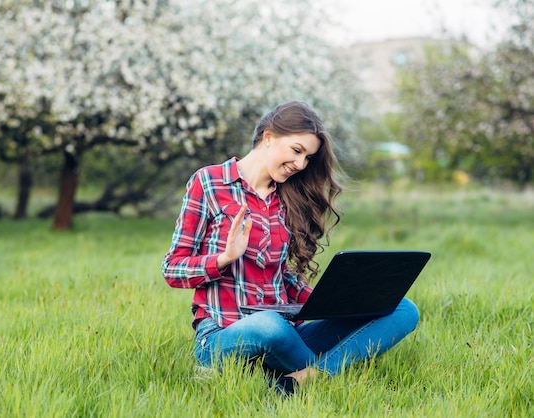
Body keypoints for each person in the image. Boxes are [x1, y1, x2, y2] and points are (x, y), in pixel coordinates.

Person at [161, 101, 419, 396]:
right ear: (268, 137)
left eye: (308, 157)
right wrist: (223, 258)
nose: (301, 164)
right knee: (269, 325)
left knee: (403, 309)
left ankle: (305, 379)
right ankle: (327, 377)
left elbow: (280, 276)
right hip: (224, 335)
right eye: (297, 151)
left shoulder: (288, 197)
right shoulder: (209, 182)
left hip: (287, 333)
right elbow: (172, 268)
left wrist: (338, 303)